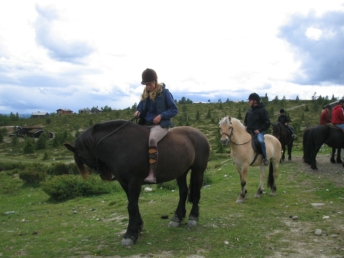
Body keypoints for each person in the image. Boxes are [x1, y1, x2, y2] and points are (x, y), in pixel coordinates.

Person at [134, 68, 178, 183]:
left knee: (152, 140)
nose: (148, 86)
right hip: (145, 124)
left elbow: (174, 109)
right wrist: (138, 112)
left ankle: (152, 173)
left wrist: (161, 116)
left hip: (160, 125)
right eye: (146, 84)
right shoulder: (145, 95)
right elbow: (140, 107)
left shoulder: (164, 93)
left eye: (149, 84)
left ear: (155, 81)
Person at [244, 93, 271, 166]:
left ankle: (265, 158)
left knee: (261, 141)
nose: (249, 102)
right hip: (249, 131)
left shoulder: (262, 110)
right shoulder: (249, 111)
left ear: (255, 101)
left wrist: (259, 130)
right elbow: (246, 121)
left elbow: (267, 123)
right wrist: (246, 126)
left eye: (250, 100)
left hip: (258, 132)